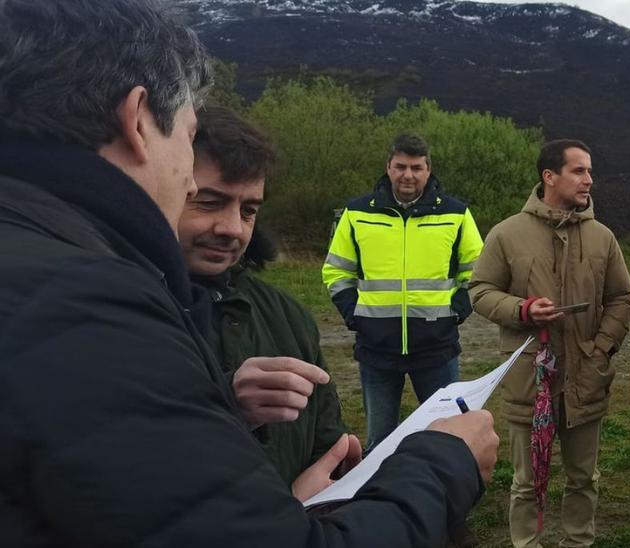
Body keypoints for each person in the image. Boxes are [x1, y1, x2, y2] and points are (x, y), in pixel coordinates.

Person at [0, 1, 497, 545]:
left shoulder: (46, 267)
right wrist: (444, 464)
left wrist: (230, 420)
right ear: (138, 119)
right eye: (189, 137)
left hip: (434, 344)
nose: (189, 184)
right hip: (378, 347)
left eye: (249, 209)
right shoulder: (87, 304)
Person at [178, 104, 357, 497]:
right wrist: (228, 405)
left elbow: (325, 438)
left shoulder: (288, 315)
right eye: (208, 202)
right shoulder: (120, 310)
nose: (232, 229)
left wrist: (339, 472)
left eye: (248, 210)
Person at [469, 139, 630, 548]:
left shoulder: (603, 238)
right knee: (526, 482)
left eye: (590, 171)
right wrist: (523, 310)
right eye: (579, 171)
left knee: (583, 479)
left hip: (586, 378)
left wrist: (601, 347)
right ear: (549, 176)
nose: (589, 180)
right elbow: (479, 291)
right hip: (530, 378)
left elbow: (622, 298)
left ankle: (578, 542)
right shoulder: (507, 234)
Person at [323, 133, 484, 450]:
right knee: (380, 441)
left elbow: (478, 270)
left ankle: (446, 495)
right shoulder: (357, 213)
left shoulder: (455, 213)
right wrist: (355, 314)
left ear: (428, 169)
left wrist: (456, 311)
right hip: (377, 348)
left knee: (447, 436)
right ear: (388, 167)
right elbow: (337, 270)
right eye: (400, 167)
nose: (407, 175)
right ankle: (379, 495)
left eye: (416, 167)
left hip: (436, 347)